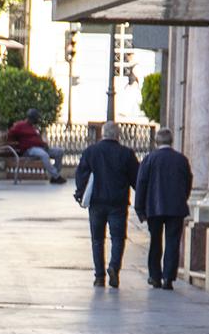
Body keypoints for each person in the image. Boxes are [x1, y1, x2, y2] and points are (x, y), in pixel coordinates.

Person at [73, 122, 140, 288]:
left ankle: (99, 276)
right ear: (118, 135)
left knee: (97, 240)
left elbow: (81, 175)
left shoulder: (91, 152)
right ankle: (114, 268)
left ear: (102, 134)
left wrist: (80, 193)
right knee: (118, 238)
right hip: (118, 202)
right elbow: (136, 179)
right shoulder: (126, 154)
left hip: (96, 202)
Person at [134, 127, 193, 289]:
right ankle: (168, 277)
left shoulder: (149, 159)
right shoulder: (181, 160)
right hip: (176, 207)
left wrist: (140, 208)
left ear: (156, 142)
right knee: (173, 242)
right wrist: (183, 198)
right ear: (171, 141)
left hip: (154, 207)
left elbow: (142, 184)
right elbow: (188, 182)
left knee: (155, 241)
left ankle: (154, 276)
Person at [7, 108, 64, 182]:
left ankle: (54, 176)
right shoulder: (20, 125)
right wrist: (14, 143)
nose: (37, 121)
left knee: (59, 151)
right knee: (44, 155)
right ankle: (56, 176)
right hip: (30, 150)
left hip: (40, 148)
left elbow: (38, 140)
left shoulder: (34, 127)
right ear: (31, 118)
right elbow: (10, 133)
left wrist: (44, 144)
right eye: (36, 119)